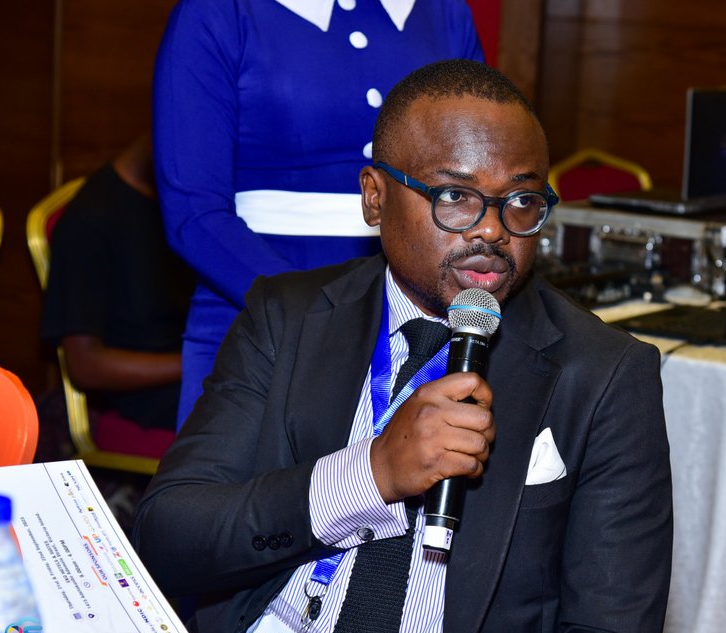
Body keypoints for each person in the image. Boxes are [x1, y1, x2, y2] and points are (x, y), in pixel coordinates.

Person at [133, 60, 672, 633]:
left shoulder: (603, 374)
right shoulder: (287, 318)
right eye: (455, 197)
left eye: (521, 200)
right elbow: (169, 535)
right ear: (375, 196)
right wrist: (372, 475)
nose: (492, 230)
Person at [153, 0, 485, 427]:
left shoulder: (443, 11)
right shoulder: (220, 11)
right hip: (254, 313)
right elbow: (193, 213)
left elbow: (482, 176)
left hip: (422, 317)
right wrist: (324, 315)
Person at [40, 132, 194, 438]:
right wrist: (199, 362)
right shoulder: (90, 219)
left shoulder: (178, 202)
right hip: (145, 395)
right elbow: (85, 366)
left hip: (189, 371)